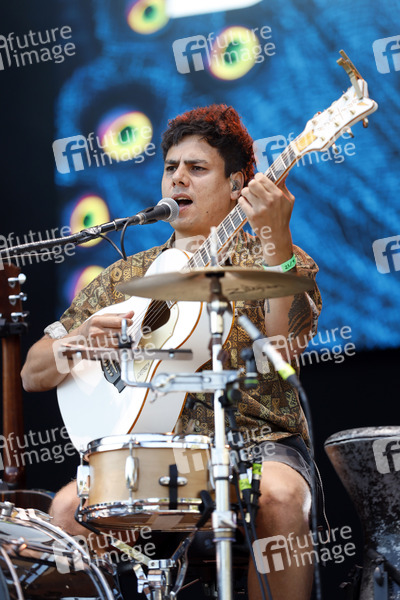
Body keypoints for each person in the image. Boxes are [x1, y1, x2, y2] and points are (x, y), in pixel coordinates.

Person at [21, 104, 322, 600]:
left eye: (197, 168)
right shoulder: (125, 276)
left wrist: (276, 237)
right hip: (153, 451)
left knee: (280, 495)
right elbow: (32, 373)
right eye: (170, 167)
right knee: (68, 510)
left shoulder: (277, 258)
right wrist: (77, 341)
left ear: (237, 185)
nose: (178, 178)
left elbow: (280, 349)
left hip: (256, 443)